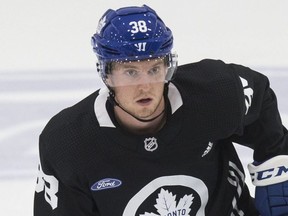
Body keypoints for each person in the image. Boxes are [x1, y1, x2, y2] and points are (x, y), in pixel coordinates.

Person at [34, 4, 288, 216]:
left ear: (168, 68)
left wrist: (276, 170)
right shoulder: (68, 143)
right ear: (106, 75)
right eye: (130, 72)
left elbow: (261, 99)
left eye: (154, 69)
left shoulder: (216, 93)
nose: (145, 86)